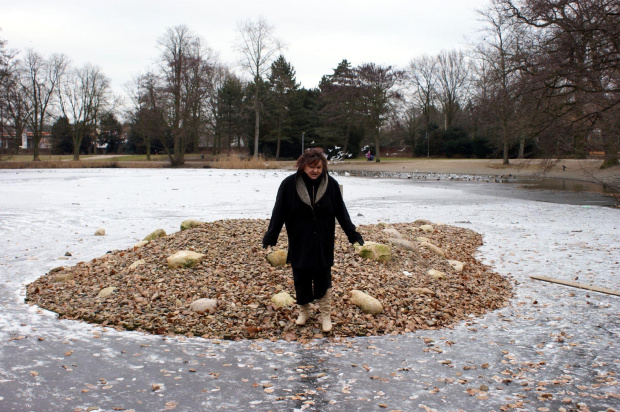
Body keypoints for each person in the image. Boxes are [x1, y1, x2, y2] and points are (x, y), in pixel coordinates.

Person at [263, 148, 364, 333]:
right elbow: (279, 212)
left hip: (323, 242)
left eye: (318, 167)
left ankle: (325, 315)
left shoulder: (331, 185)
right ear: (303, 166)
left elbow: (341, 212)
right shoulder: (288, 185)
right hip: (299, 241)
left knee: (323, 278)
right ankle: (304, 312)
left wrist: (353, 234)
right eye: (311, 167)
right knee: (300, 278)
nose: (315, 171)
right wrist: (271, 235)